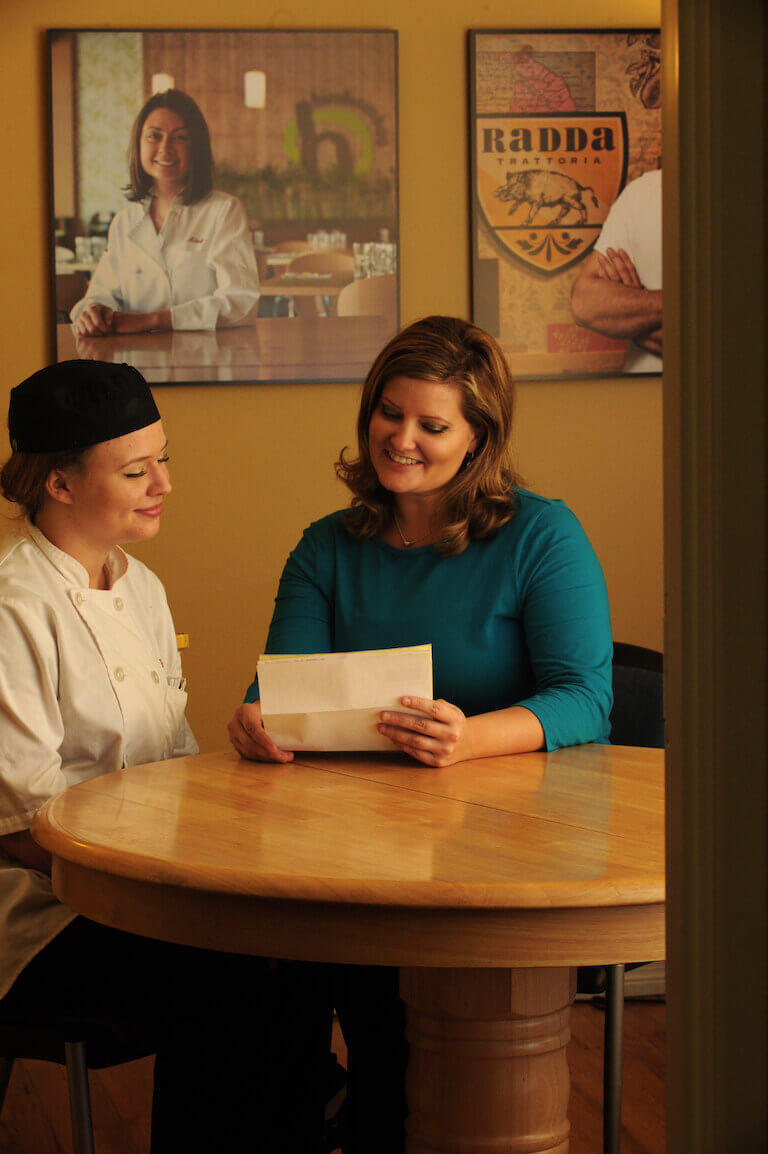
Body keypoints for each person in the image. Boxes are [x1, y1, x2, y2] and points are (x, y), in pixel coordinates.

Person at [227, 315, 613, 1152]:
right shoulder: (328, 546)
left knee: (387, 1029)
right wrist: (258, 719)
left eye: (433, 425)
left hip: (506, 852)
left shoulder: (542, 536)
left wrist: (468, 738)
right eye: (388, 413)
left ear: (478, 439)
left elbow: (586, 698)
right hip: (348, 846)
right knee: (258, 991)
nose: (401, 439)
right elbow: (278, 688)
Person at [0, 360, 328, 1153]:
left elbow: (168, 764)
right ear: (62, 485)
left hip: (141, 884)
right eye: (137, 469)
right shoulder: (12, 604)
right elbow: (19, 824)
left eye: (164, 459)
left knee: (306, 948)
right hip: (44, 912)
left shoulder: (139, 585)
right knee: (241, 975)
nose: (165, 485)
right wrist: (167, 879)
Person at [70, 89, 259, 337]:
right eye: (154, 136)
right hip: (133, 363)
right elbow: (100, 294)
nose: (165, 148)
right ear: (138, 144)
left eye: (180, 138)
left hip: (206, 360)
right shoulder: (124, 222)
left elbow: (241, 303)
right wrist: (92, 311)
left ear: (196, 148)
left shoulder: (223, 210)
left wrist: (154, 320)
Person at [570, 167, 662, 373]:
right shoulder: (641, 193)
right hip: (636, 397)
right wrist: (691, 304)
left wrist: (635, 312)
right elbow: (585, 304)